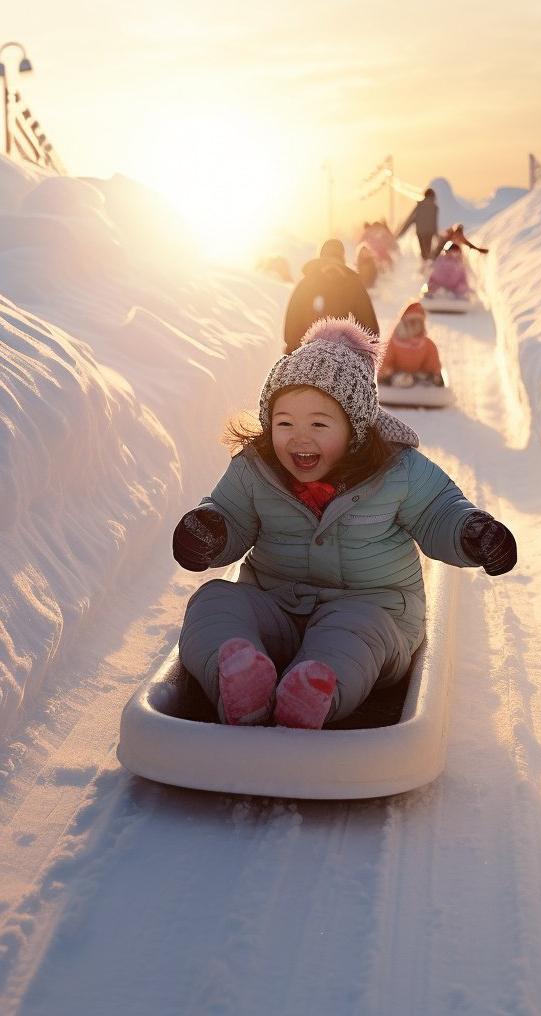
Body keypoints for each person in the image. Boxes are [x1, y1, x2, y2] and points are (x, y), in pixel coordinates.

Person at [171, 317, 516, 729]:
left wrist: (471, 534)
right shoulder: (255, 470)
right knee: (213, 602)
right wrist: (211, 532)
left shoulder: (397, 471)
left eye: (319, 424)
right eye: (285, 423)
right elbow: (230, 514)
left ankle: (313, 695)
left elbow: (438, 511)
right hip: (274, 604)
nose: (300, 437)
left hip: (371, 610)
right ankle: (239, 681)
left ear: (354, 427)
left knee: (354, 635)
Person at [282, 239, 379, 353]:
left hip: (308, 356)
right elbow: (370, 330)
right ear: (342, 258)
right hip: (344, 359)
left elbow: (291, 327)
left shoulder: (305, 283)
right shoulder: (354, 285)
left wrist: (296, 352)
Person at [379, 302, 443, 387]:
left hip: (418, 379)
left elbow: (433, 363)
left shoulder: (427, 344)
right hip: (396, 378)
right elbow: (386, 362)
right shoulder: (394, 343)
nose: (414, 325)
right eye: (411, 321)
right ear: (404, 323)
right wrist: (387, 372)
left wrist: (435, 374)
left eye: (418, 322)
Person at [397, 187, 439, 260]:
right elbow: (434, 222)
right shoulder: (434, 207)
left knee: (423, 250)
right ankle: (427, 263)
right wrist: (436, 234)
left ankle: (425, 262)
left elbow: (410, 220)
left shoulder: (420, 205)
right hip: (430, 232)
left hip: (420, 232)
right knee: (428, 249)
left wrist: (401, 233)